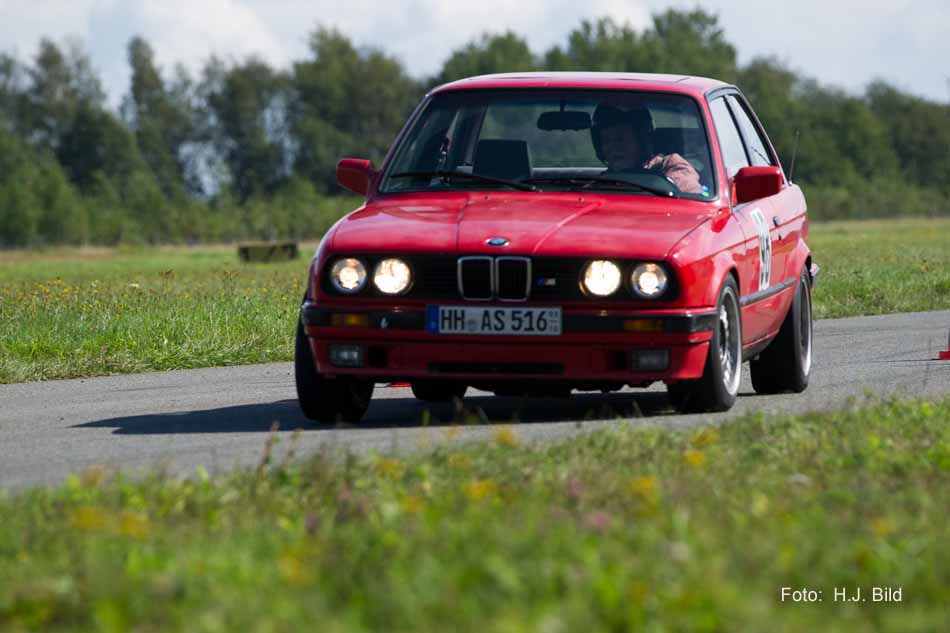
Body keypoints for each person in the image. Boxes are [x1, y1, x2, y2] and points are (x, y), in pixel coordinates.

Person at [590, 104, 702, 194]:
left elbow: (687, 201)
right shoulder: (602, 182)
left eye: (620, 140)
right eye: (606, 141)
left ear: (641, 141)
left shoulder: (672, 165)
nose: (613, 148)